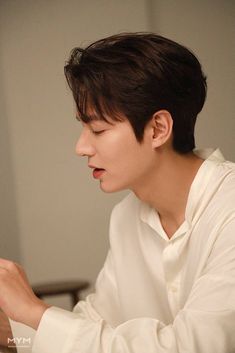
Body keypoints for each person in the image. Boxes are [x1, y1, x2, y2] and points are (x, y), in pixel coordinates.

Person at [0, 32, 235, 353]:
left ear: (158, 129)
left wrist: (34, 312)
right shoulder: (126, 217)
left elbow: (193, 346)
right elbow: (96, 325)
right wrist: (13, 331)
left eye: (97, 129)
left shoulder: (229, 208)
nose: (81, 147)